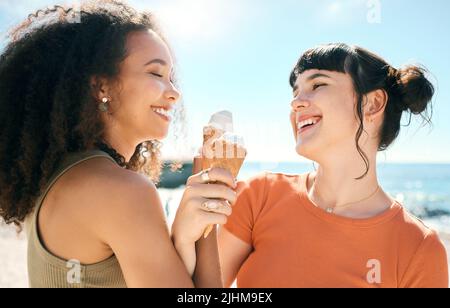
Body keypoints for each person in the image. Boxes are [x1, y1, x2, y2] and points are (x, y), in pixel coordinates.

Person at [0, 0, 236, 288]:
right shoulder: (122, 191)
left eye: (171, 78)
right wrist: (208, 213)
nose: (174, 92)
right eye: (155, 73)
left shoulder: (53, 178)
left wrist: (186, 237)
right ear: (102, 87)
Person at [218, 43, 448, 288]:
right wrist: (188, 227)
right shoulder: (258, 196)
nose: (296, 103)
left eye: (318, 85)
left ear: (373, 104)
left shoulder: (419, 248)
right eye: (295, 93)